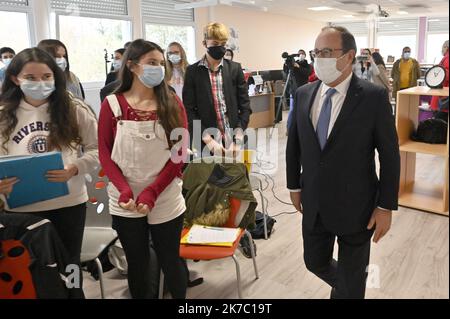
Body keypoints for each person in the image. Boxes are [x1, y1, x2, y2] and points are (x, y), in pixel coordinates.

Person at [286, 26, 400, 299]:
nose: (318, 58)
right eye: (316, 52)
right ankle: (349, 287)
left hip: (357, 207)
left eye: (327, 52)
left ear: (349, 56)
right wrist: (293, 186)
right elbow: (295, 145)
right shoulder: (303, 94)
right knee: (314, 262)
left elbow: (390, 154)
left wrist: (385, 206)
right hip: (313, 202)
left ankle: (349, 289)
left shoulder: (373, 97)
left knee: (351, 283)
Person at [0, 48, 99, 297]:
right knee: (34, 272)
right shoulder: (3, 114)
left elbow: (100, 149)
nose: (40, 83)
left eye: (46, 77)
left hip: (68, 203)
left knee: (70, 266)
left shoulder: (74, 108)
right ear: (15, 78)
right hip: (21, 209)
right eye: (31, 78)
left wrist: (76, 167)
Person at [98, 39, 188, 299]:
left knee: (171, 260)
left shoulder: (172, 102)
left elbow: (179, 154)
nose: (159, 68)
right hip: (125, 199)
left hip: (165, 194)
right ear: (132, 66)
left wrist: (153, 192)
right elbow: (105, 153)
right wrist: (125, 189)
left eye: (161, 63)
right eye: (152, 63)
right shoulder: (113, 104)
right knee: (137, 264)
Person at [183, 22, 251, 156]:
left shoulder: (235, 69)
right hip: (206, 141)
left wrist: (238, 136)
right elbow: (189, 110)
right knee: (210, 176)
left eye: (223, 44)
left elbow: (245, 106)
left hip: (234, 138)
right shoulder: (192, 72)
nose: (219, 48)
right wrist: (208, 140)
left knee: (236, 175)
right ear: (205, 43)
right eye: (214, 44)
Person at [287, 49, 313, 130]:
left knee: (304, 109)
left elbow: (307, 73)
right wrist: (287, 62)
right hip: (294, 90)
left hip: (305, 90)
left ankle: (302, 127)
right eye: (299, 54)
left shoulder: (308, 65)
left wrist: (299, 67)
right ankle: (289, 128)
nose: (301, 55)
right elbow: (286, 70)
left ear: (305, 55)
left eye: (302, 54)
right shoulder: (294, 64)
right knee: (292, 110)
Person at [430, 40, 449, 114]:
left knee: (440, 123)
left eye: (443, 47)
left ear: (446, 47)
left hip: (443, 97)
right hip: (444, 96)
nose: (442, 50)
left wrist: (436, 71)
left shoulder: (447, 58)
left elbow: (445, 75)